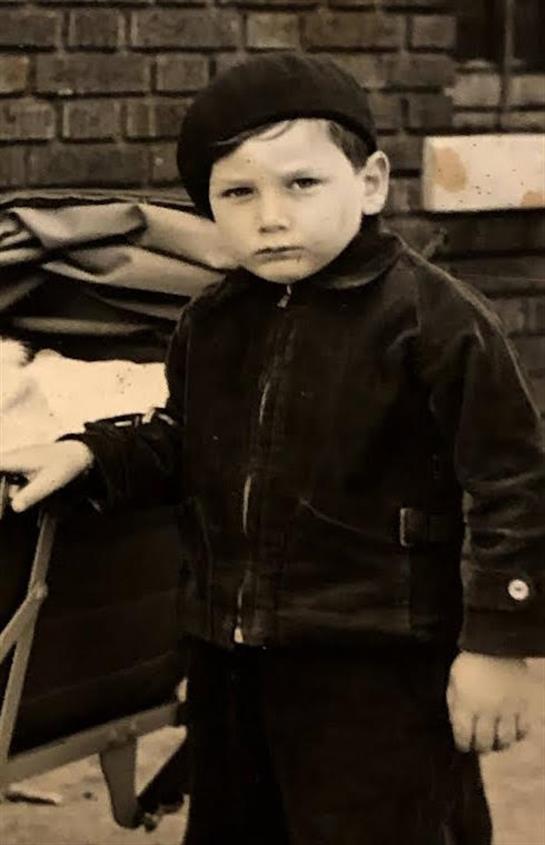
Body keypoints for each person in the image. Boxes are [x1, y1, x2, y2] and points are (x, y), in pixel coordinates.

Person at [1, 53, 544, 845]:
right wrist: (90, 455)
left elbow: (513, 484)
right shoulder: (213, 322)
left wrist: (498, 642)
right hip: (232, 662)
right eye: (237, 193)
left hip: (379, 668)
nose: (269, 216)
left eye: (301, 184)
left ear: (369, 182)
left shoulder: (435, 323)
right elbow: (186, 444)